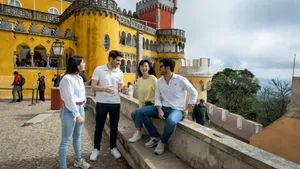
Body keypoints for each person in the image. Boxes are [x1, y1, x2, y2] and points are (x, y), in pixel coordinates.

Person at [136, 58, 198, 155]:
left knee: (171, 121)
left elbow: (194, 92)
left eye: (161, 66)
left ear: (168, 68)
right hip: (163, 107)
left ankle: (162, 141)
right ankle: (155, 136)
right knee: (140, 112)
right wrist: (159, 109)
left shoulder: (180, 80)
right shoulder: (160, 81)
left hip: (177, 110)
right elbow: (157, 97)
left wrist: (187, 109)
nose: (159, 68)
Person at [90, 50, 128, 161]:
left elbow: (120, 87)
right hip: (101, 102)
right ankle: (96, 149)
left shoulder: (119, 72)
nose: (119, 63)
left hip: (115, 103)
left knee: (114, 127)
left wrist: (123, 89)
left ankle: (113, 148)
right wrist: (104, 89)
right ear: (110, 58)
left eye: (120, 61)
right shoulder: (99, 69)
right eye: (117, 60)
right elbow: (93, 86)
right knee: (99, 127)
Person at [58, 56, 90, 169]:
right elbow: (69, 99)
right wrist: (77, 115)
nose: (85, 64)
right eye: (83, 62)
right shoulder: (67, 79)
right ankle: (63, 167)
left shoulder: (79, 77)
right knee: (66, 139)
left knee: (77, 137)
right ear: (77, 65)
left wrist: (84, 100)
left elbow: (80, 92)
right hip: (69, 110)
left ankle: (78, 160)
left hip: (80, 107)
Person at [128, 59, 157, 143]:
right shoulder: (139, 80)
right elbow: (140, 97)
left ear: (149, 68)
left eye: (146, 66)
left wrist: (158, 107)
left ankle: (139, 132)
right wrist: (141, 108)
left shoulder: (153, 79)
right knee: (134, 113)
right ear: (139, 68)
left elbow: (159, 93)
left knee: (138, 112)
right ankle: (140, 131)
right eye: (142, 66)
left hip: (154, 104)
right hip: (145, 105)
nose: (144, 68)